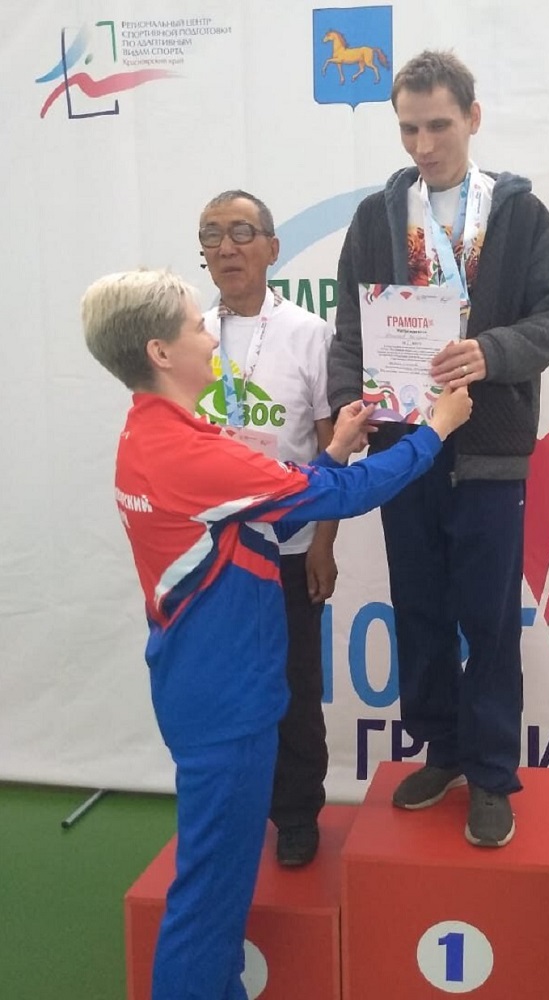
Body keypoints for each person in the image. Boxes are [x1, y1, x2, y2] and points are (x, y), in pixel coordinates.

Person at [81, 268, 471, 1000]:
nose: (210, 336)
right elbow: (345, 497)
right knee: (208, 905)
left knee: (217, 898)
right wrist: (436, 431)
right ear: (161, 352)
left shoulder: (155, 433)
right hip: (227, 703)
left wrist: (335, 447)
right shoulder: (190, 454)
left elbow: (272, 504)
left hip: (210, 688)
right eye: (196, 327)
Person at [327, 49, 549, 848]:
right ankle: (442, 751)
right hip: (406, 449)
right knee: (421, 608)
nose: (424, 144)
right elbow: (350, 328)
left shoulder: (518, 214)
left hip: (490, 451)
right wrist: (347, 405)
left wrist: (492, 352)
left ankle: (494, 773)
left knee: (489, 619)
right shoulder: (376, 217)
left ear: (473, 118)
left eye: (439, 125)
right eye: (409, 128)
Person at [197, 189, 334, 867]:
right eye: (212, 235)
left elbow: (333, 448)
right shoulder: (188, 336)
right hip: (210, 550)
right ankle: (232, 809)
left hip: (289, 546)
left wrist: (325, 543)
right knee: (220, 688)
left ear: (273, 249)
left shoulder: (309, 334)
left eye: (242, 232)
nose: (226, 247)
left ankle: (298, 813)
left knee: (292, 688)